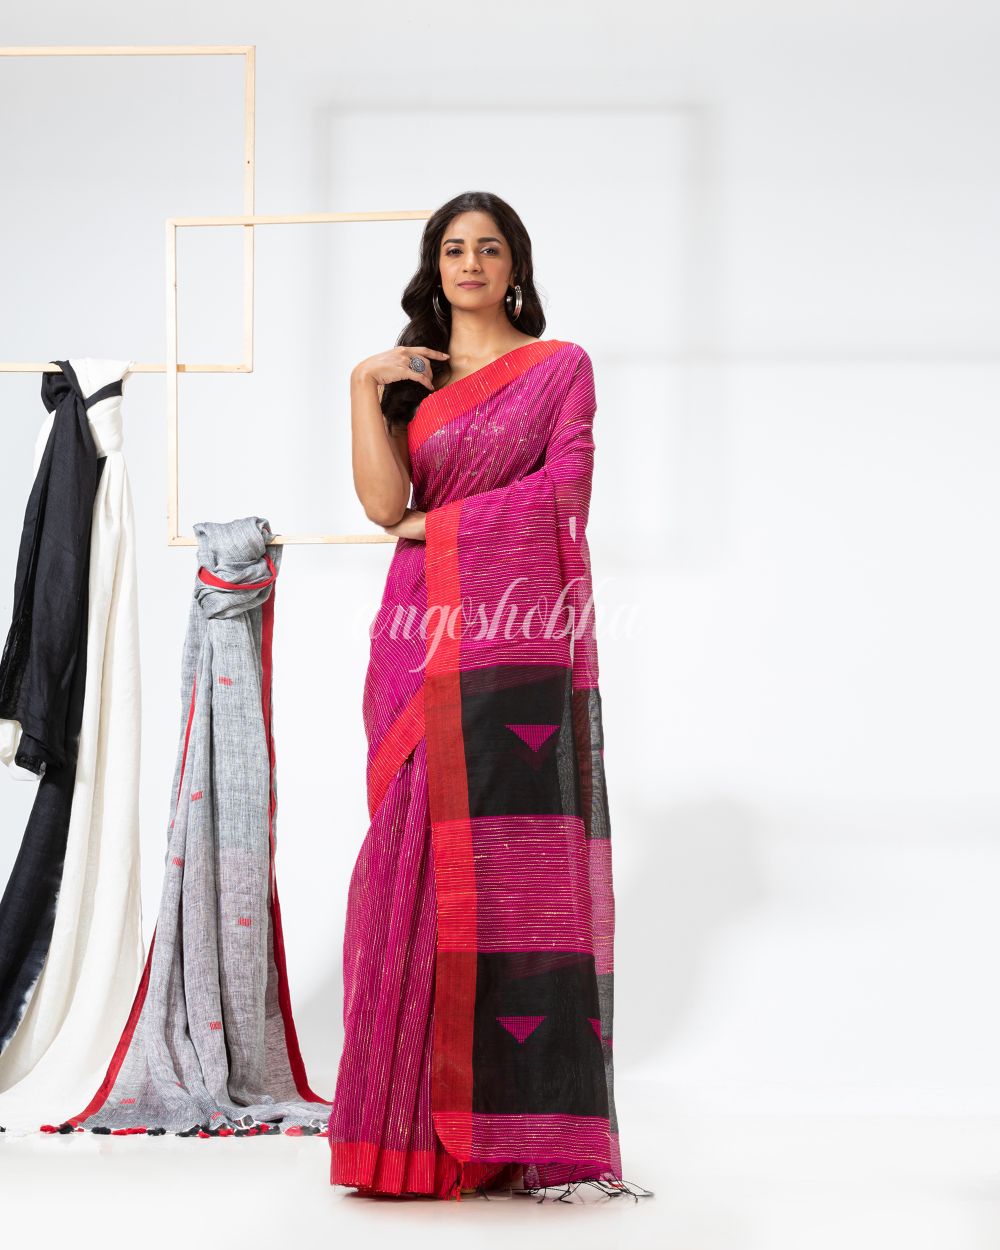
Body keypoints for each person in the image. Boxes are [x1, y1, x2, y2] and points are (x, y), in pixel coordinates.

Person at [328, 191, 646, 1203]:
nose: (470, 263)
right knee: (403, 858)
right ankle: (396, 1135)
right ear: (435, 266)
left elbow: (564, 493)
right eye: (453, 248)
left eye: (489, 248)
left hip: (506, 632)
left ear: (515, 267)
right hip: (415, 629)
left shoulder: (559, 368)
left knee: (496, 869)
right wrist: (362, 385)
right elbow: (383, 505)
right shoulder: (408, 381)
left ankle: (493, 1132)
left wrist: (446, 526)